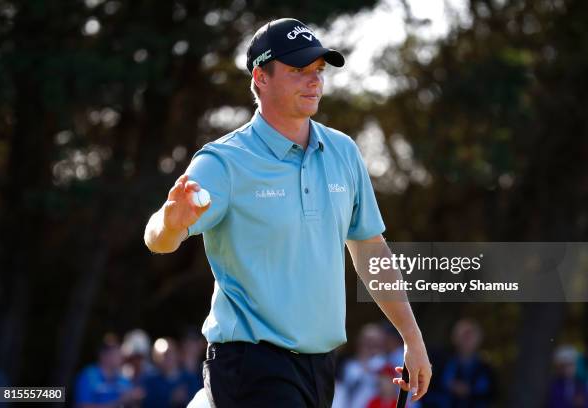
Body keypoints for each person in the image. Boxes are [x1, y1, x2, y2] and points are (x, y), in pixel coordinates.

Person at [144, 17, 431, 407]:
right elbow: (157, 239)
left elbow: (370, 250)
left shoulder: (344, 151)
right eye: (299, 71)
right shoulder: (224, 160)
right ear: (261, 76)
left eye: (318, 71)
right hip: (251, 362)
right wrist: (171, 223)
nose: (314, 81)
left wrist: (412, 339)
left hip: (320, 366)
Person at [75, 334, 145, 408]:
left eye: (118, 352)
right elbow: (82, 406)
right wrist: (119, 401)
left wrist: (134, 399)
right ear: (103, 355)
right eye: (114, 353)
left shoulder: (123, 379)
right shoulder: (88, 376)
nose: (120, 356)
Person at [142, 338, 197, 408]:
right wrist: (170, 399)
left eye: (169, 353)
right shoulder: (150, 382)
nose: (165, 357)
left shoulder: (190, 379)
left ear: (177, 354)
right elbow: (148, 403)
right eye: (160, 355)